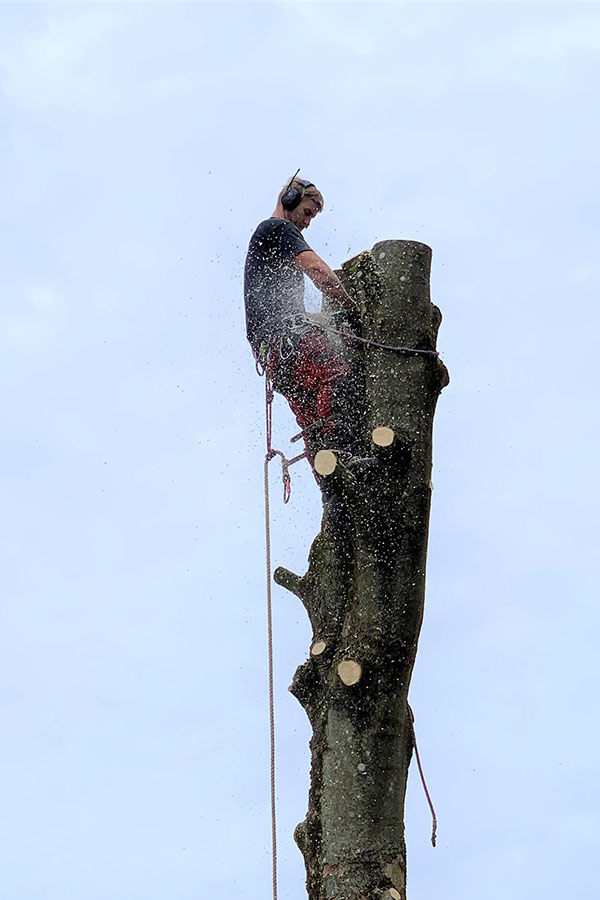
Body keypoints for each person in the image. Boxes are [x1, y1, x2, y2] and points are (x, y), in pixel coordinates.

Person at [244, 174, 363, 461]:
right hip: (289, 342)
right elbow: (319, 272)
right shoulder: (278, 228)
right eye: (307, 212)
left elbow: (284, 310)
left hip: (276, 358)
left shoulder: (270, 240)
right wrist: (350, 307)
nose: (307, 222)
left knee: (313, 422)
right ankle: (344, 454)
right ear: (290, 200)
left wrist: (326, 321)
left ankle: (333, 480)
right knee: (335, 375)